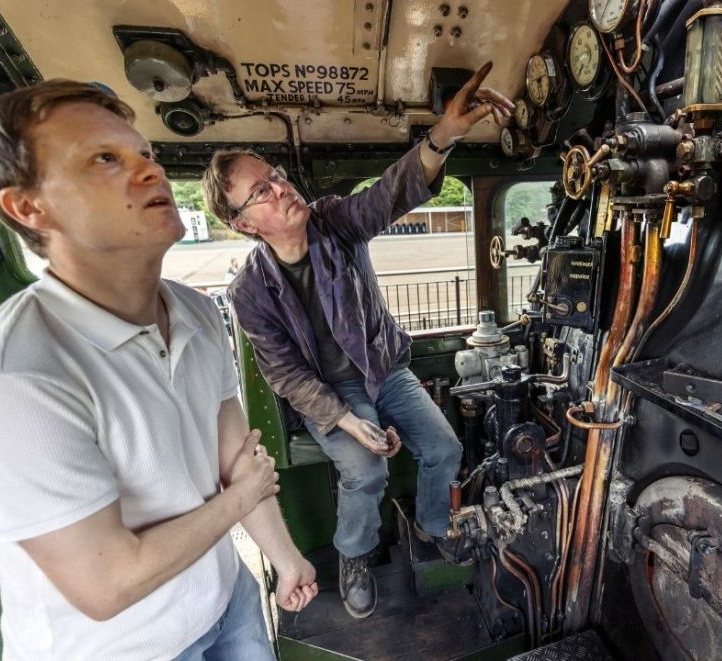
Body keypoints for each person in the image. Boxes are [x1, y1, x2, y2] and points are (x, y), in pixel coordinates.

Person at [0, 80, 318, 660]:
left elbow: (237, 459)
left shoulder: (193, 310)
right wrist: (237, 502)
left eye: (145, 154)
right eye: (104, 160)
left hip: (227, 605)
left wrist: (284, 557)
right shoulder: (20, 375)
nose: (150, 172)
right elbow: (108, 583)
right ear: (28, 207)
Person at [201, 62, 513, 619]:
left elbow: (387, 196)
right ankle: (355, 555)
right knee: (365, 470)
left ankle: (434, 523)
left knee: (444, 446)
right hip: (328, 394)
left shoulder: (334, 223)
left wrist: (444, 135)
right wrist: (347, 420)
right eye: (262, 191)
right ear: (245, 223)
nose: (280, 188)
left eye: (276, 176)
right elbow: (287, 375)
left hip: (384, 371)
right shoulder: (250, 292)